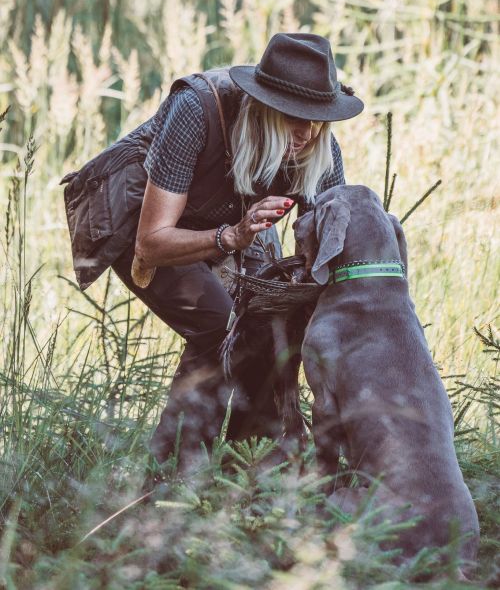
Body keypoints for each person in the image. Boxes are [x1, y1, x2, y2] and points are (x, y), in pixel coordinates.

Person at [61, 32, 363, 473]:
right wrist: (231, 237)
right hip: (142, 220)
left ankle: (248, 477)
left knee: (271, 331)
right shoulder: (197, 109)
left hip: (231, 218)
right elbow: (152, 241)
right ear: (264, 106)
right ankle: (173, 477)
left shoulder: (316, 144)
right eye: (297, 116)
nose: (308, 131)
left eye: (319, 117)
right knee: (220, 326)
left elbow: (335, 239)